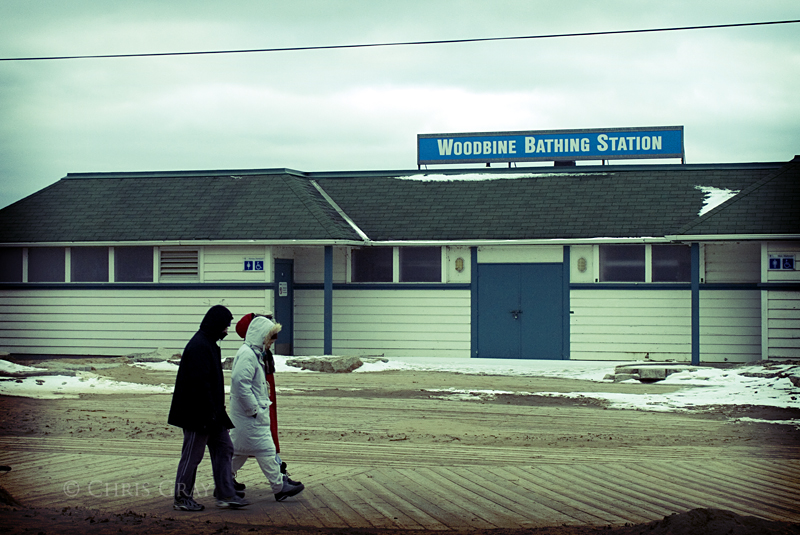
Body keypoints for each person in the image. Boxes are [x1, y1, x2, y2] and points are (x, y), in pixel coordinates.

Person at [168, 305, 249, 511]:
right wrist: (211, 414)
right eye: (225, 326)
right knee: (192, 456)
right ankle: (182, 497)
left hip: (211, 413)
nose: (227, 331)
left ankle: (226, 494)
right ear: (216, 325)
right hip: (198, 415)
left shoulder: (207, 343)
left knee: (225, 448)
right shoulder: (200, 346)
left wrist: (216, 413)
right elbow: (199, 386)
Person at [229, 315, 305, 501]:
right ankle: (279, 486)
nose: (272, 342)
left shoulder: (252, 353)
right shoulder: (249, 355)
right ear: (262, 336)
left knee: (240, 450)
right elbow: (240, 383)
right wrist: (253, 409)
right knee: (266, 449)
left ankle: (224, 481)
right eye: (271, 338)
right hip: (250, 415)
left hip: (247, 415)